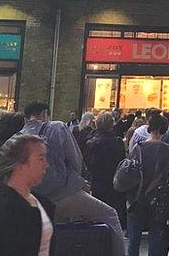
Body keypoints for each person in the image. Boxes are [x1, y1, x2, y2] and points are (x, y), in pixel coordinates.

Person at [21, 102, 125, 256]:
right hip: (63, 192)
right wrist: (79, 183)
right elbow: (75, 158)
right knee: (109, 215)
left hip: (34, 197)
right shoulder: (57, 127)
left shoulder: (19, 136)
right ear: (44, 114)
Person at [0, 134, 54, 255]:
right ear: (20, 165)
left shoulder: (41, 203)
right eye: (41, 158)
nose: (46, 164)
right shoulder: (2, 210)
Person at [125, 113, 169, 256]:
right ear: (164, 130)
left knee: (134, 237)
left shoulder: (137, 148)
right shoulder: (166, 149)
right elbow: (166, 174)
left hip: (136, 196)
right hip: (156, 197)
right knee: (155, 236)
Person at [84, 111, 128, 231]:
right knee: (114, 211)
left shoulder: (91, 142)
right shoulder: (118, 142)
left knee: (99, 209)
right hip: (114, 181)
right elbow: (122, 162)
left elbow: (88, 163)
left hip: (98, 180)